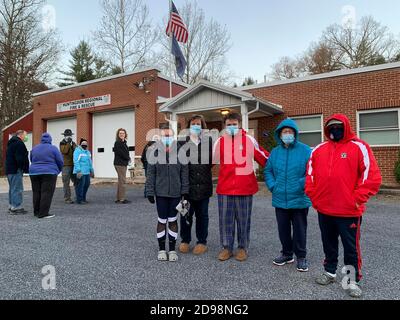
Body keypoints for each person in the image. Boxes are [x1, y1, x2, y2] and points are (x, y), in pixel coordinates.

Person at [305, 114, 382, 298]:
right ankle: (330, 272)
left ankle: (351, 280)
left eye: (339, 126)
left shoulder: (359, 147)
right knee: (328, 243)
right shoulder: (318, 150)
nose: (335, 130)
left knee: (350, 247)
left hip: (348, 211)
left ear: (346, 127)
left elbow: (371, 177)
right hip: (325, 209)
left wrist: (356, 199)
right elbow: (310, 176)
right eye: (331, 127)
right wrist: (316, 199)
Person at [213, 113, 269, 262]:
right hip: (225, 188)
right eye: (229, 124)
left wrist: (280, 165)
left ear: (239, 124)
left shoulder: (249, 139)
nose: (232, 127)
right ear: (225, 126)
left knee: (243, 220)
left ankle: (243, 247)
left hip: (245, 187)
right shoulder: (220, 141)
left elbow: (263, 158)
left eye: (234, 124)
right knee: (225, 220)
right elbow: (208, 162)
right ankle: (226, 247)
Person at [264, 118, 312, 272]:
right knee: (283, 229)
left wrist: (301, 184)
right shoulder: (275, 152)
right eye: (285, 132)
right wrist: (273, 186)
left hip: (299, 198)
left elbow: (312, 171)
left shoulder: (305, 150)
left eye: (290, 132)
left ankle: (301, 256)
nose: (287, 134)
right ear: (280, 134)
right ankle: (286, 254)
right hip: (280, 198)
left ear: (295, 134)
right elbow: (268, 170)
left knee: (300, 229)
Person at [145, 125, 189, 262]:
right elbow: (150, 173)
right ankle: (162, 249)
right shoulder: (154, 152)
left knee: (173, 220)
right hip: (161, 193)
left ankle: (172, 249)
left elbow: (184, 173)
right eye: (165, 136)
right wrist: (149, 192)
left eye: (169, 135)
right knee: (162, 221)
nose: (167, 138)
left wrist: (185, 192)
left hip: (176, 193)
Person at [178, 115, 213, 256]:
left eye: (198, 124)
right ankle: (185, 240)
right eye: (193, 124)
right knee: (185, 215)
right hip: (187, 188)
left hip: (204, 187)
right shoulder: (181, 143)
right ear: (188, 126)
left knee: (202, 216)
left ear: (202, 126)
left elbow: (212, 161)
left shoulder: (208, 142)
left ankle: (202, 242)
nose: (196, 126)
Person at [29, 133, 64, 219]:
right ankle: (43, 213)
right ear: (50, 140)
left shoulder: (35, 148)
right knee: (46, 193)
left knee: (36, 192)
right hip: (49, 172)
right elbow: (60, 161)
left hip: (34, 172)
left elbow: (31, 159)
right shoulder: (53, 148)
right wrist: (58, 170)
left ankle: (36, 212)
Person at [5, 130, 30, 215]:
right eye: (25, 135)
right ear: (20, 135)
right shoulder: (19, 143)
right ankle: (16, 207)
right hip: (16, 170)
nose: (26, 137)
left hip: (9, 170)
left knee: (12, 188)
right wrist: (24, 168)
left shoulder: (11, 143)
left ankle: (11, 206)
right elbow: (20, 158)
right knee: (17, 188)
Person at [73, 139, 94, 205]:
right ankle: (79, 199)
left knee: (86, 185)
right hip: (80, 172)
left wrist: (92, 170)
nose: (84, 145)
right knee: (80, 186)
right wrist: (78, 170)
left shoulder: (88, 152)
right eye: (83, 143)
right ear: (80, 144)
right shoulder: (77, 151)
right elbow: (76, 161)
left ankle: (83, 198)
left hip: (87, 172)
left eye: (86, 143)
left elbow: (90, 162)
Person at [113, 128, 131, 204]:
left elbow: (125, 152)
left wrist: (128, 158)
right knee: (123, 181)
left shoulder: (124, 143)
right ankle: (122, 199)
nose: (121, 134)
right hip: (119, 164)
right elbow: (121, 153)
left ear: (125, 134)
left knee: (121, 181)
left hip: (123, 163)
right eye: (120, 133)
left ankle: (118, 198)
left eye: (123, 133)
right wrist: (128, 158)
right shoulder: (117, 143)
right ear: (118, 135)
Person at [60, 129, 77, 204]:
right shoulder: (62, 143)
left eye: (70, 135)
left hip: (73, 165)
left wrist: (72, 144)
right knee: (66, 182)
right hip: (65, 166)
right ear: (64, 136)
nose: (68, 137)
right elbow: (64, 151)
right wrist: (68, 143)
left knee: (77, 181)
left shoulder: (73, 143)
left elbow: (76, 151)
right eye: (67, 135)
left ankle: (78, 196)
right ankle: (67, 198)